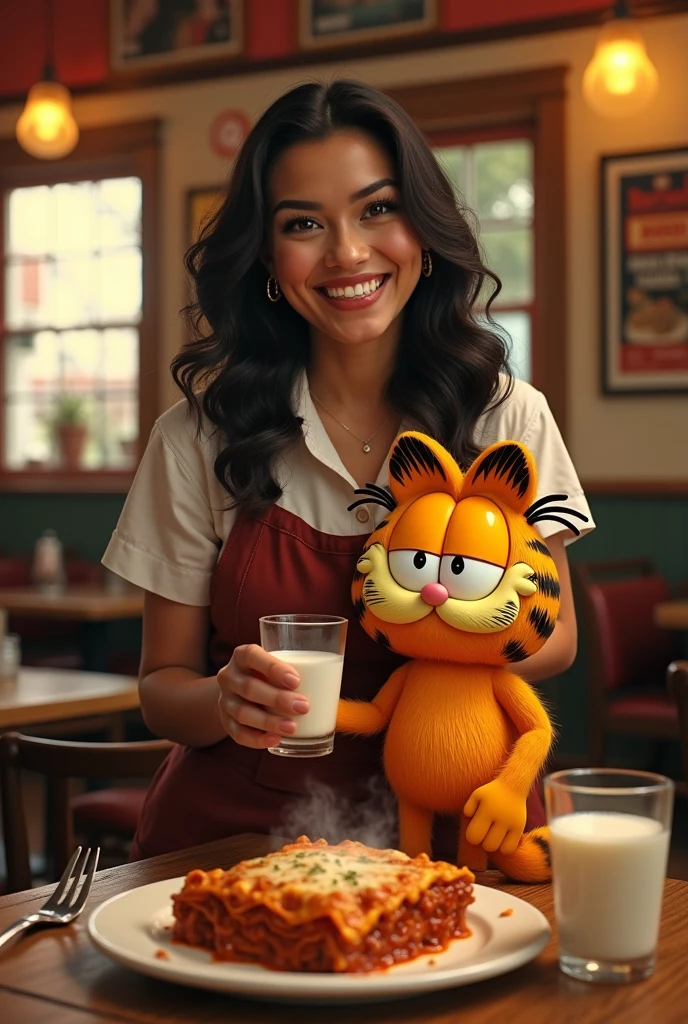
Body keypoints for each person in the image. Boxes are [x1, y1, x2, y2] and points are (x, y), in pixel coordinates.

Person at [102, 79, 594, 862]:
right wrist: (224, 701)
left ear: (424, 229)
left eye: (377, 209)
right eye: (304, 224)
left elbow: (559, 633)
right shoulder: (196, 436)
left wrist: (438, 636)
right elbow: (162, 687)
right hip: (238, 837)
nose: (348, 253)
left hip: (467, 825)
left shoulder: (506, 414)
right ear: (266, 253)